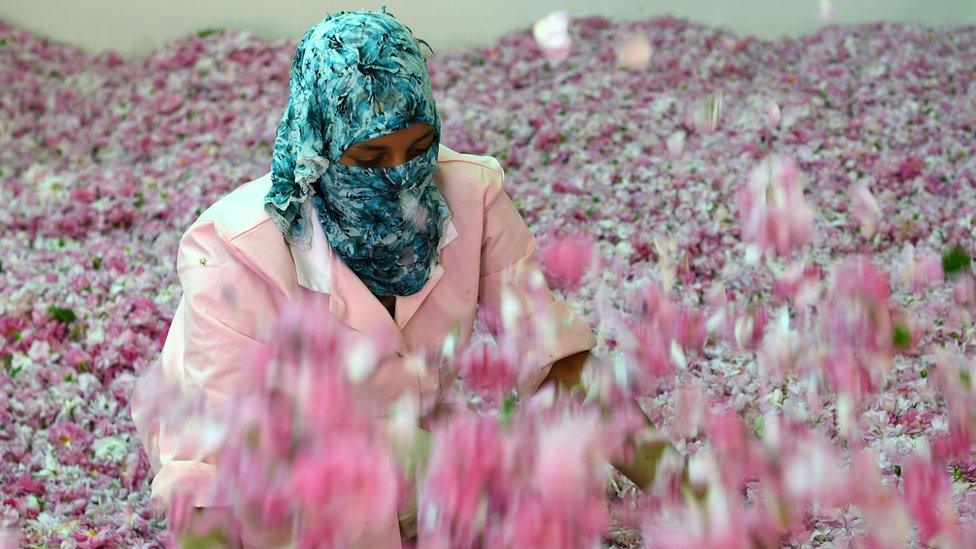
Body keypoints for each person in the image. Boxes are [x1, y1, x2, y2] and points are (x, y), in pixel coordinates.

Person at [130, 7, 668, 547]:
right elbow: (208, 470)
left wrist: (685, 487)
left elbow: (558, 363)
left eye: (416, 146)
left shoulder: (471, 195)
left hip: (399, 431)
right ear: (319, 151)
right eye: (369, 156)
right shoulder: (237, 250)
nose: (401, 178)